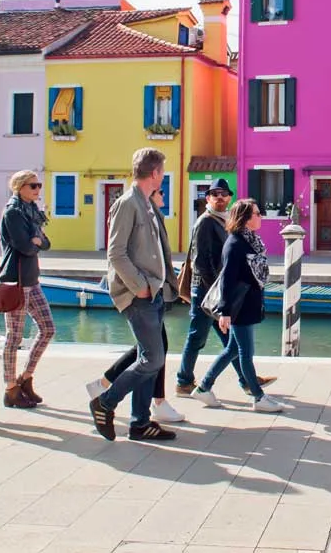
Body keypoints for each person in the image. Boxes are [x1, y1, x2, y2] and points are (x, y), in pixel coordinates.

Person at [89, 148, 180, 442]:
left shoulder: (147, 204)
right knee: (153, 359)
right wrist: (139, 285)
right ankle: (105, 402)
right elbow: (116, 253)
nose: (163, 175)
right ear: (154, 173)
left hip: (152, 292)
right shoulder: (127, 204)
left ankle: (140, 424)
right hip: (138, 294)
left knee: (150, 356)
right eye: (162, 170)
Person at [175, 178, 275, 397]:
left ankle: (247, 380)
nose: (220, 197)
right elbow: (200, 260)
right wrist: (219, 294)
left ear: (229, 197)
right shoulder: (205, 221)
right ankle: (184, 381)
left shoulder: (225, 221)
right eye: (215, 193)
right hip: (205, 290)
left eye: (224, 193)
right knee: (197, 337)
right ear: (208, 198)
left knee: (231, 341)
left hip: (218, 291)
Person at [191, 199, 285, 413]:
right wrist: (224, 312)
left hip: (249, 304)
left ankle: (204, 387)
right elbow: (227, 279)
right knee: (245, 351)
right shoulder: (235, 244)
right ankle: (258, 397)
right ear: (245, 218)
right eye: (257, 213)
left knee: (232, 349)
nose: (261, 216)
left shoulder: (250, 240)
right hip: (238, 307)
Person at [0, 170, 56, 409]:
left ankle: (26, 377)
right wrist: (35, 242)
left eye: (38, 185)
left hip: (32, 279)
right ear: (20, 187)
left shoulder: (31, 212)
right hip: (16, 281)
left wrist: (38, 241)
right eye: (33, 186)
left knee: (48, 329)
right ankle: (10, 388)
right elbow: (24, 246)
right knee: (14, 337)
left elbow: (46, 243)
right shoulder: (13, 212)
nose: (37, 189)